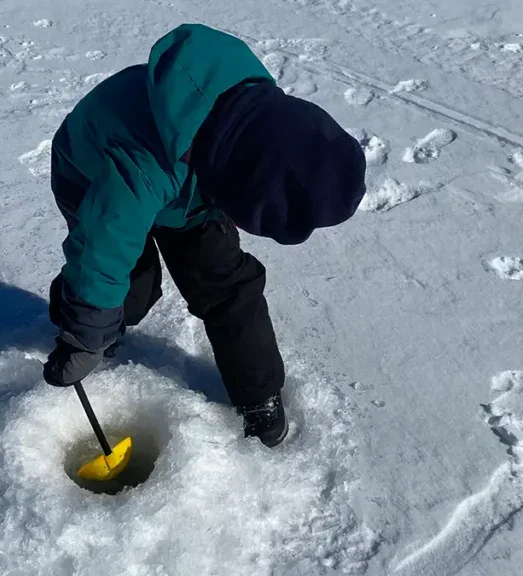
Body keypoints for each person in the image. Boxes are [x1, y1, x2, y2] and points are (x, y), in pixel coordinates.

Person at [41, 23, 366, 447]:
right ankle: (84, 324)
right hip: (93, 179)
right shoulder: (141, 166)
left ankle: (258, 392)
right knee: (127, 290)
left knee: (228, 285)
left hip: (193, 194)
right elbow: (102, 250)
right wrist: (85, 333)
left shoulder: (252, 116)